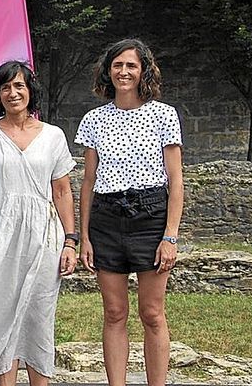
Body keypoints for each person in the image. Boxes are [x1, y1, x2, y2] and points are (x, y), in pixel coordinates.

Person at [0, 61, 78, 386]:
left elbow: (63, 190)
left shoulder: (53, 136)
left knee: (38, 317)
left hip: (43, 239)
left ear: (30, 91)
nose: (13, 93)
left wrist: (70, 241)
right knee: (1, 316)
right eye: (6, 87)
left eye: (19, 86)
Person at [76, 39, 183, 386]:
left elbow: (176, 181)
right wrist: (85, 237)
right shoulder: (94, 120)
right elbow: (88, 181)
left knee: (152, 313)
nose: (124, 72)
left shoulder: (163, 115)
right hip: (106, 218)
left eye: (131, 66)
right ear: (108, 71)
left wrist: (170, 236)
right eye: (117, 65)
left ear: (143, 71)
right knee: (114, 312)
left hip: (151, 216)